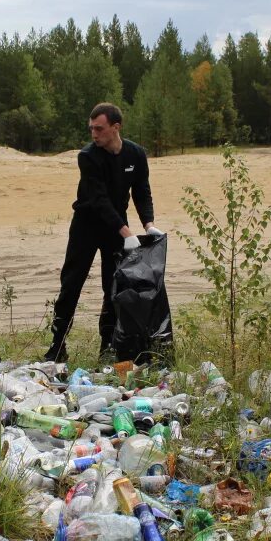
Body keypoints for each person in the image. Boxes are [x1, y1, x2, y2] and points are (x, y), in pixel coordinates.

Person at [44, 103, 159, 362]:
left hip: (116, 229)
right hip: (87, 225)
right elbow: (99, 200)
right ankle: (57, 345)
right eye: (91, 129)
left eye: (99, 128)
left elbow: (142, 191)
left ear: (115, 127)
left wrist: (149, 224)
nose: (94, 134)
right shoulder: (87, 157)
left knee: (114, 287)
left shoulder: (136, 155)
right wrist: (127, 232)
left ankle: (107, 346)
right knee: (71, 283)